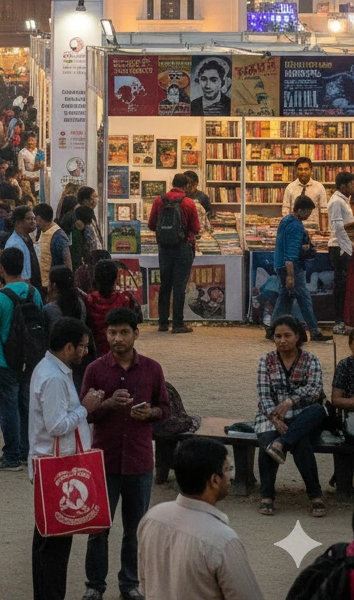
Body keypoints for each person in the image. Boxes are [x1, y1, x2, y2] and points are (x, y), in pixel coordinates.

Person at [81, 307, 169, 600]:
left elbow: (165, 409)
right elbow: (84, 415)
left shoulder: (152, 369)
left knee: (135, 530)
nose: (117, 339)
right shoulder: (95, 369)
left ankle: (129, 584)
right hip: (104, 461)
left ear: (136, 334)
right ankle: (95, 586)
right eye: (112, 332)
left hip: (139, 461)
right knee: (98, 529)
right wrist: (106, 405)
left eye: (123, 332)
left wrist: (150, 413)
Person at [28, 317, 104, 600]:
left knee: (47, 541)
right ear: (69, 346)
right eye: (82, 347)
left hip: (53, 467)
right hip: (57, 468)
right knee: (54, 547)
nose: (85, 352)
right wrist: (85, 408)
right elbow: (56, 425)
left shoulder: (51, 369)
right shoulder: (53, 377)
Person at [139, 438, 264, 600]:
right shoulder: (222, 540)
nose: (230, 477)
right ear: (214, 480)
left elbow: (145, 584)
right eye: (227, 470)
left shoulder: (152, 518)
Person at [255, 314, 328, 516]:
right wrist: (275, 419)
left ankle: (314, 494)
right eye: (277, 336)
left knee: (318, 410)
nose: (282, 340)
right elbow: (264, 397)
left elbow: (315, 391)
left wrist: (290, 400)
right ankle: (268, 495)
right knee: (273, 443)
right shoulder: (266, 361)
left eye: (287, 335)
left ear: (298, 336)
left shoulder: (311, 360)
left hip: (302, 417)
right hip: (271, 417)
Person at [0, 247, 44, 471]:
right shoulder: (34, 292)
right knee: (26, 404)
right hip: (30, 357)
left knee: (8, 407)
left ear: (1, 268)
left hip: (5, 359)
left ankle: (11, 455)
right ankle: (25, 450)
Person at [147, 173, 201, 333]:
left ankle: (162, 322)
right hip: (183, 247)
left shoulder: (159, 200)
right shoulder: (188, 202)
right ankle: (178, 324)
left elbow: (151, 225)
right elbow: (196, 228)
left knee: (165, 284)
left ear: (172, 183)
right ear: (186, 186)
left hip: (164, 248)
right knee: (179, 285)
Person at [274, 195, 329, 341]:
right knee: (304, 298)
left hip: (280, 265)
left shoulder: (285, 220)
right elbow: (291, 253)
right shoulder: (296, 226)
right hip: (292, 268)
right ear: (300, 210)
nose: (309, 215)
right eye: (308, 212)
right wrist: (290, 276)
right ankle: (314, 330)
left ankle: (272, 329)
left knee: (284, 298)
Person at [86, 258, 142, 356]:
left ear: (95, 278)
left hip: (95, 353)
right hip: (121, 352)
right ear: (116, 278)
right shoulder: (125, 298)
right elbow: (138, 318)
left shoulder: (88, 300)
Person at [329, 171, 354, 335]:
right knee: (340, 285)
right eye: (352, 184)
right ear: (343, 186)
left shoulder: (345, 200)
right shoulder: (336, 201)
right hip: (340, 247)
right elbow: (338, 228)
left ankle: (343, 320)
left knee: (345, 285)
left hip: (345, 246)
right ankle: (338, 321)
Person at [35, 203, 70, 285]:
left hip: (55, 284)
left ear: (39, 219)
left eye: (34, 219)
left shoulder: (58, 236)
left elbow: (67, 262)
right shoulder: (43, 231)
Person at [17, 134, 43, 200]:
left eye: (32, 140)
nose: (30, 142)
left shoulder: (39, 152)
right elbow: (21, 169)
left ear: (36, 141)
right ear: (26, 141)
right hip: (27, 176)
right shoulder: (22, 153)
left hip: (38, 177)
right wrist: (30, 178)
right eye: (29, 140)